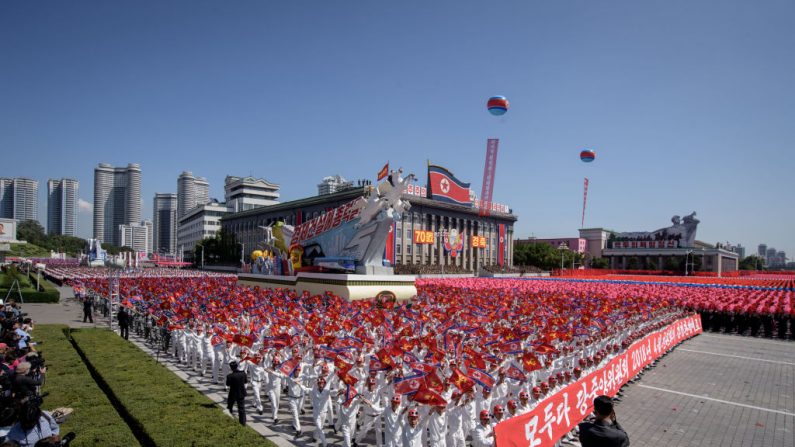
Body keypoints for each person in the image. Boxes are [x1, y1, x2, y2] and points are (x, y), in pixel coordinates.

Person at [225, 361, 248, 426]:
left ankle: (229, 419)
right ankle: (243, 423)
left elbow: (228, 384)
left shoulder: (229, 376)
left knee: (229, 407)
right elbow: (245, 382)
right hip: (241, 393)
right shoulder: (243, 374)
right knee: (241, 409)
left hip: (233, 393)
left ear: (231, 368)